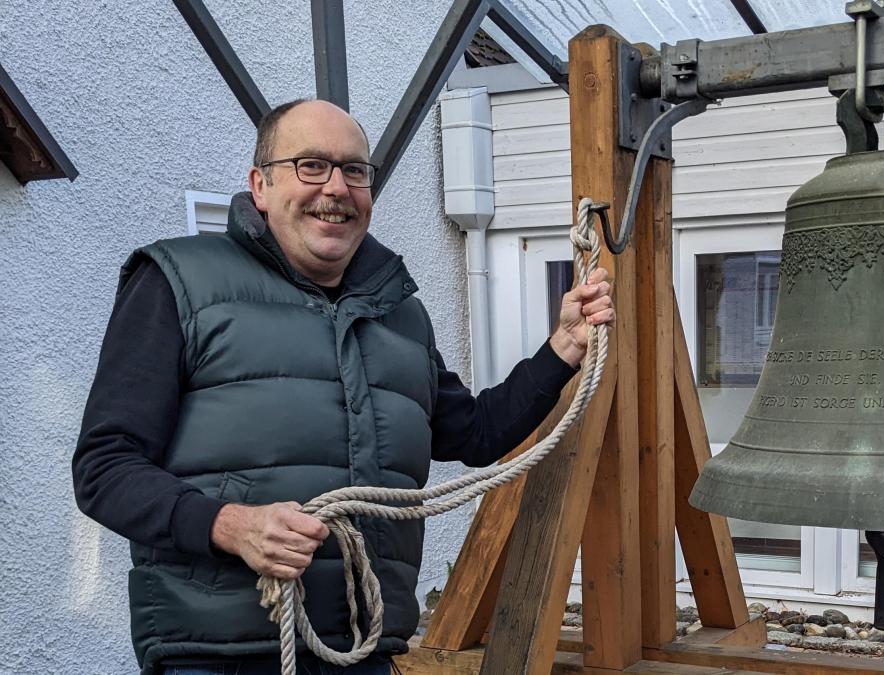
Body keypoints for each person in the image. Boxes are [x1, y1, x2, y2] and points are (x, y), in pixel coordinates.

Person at [72, 98, 614, 675]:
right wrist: (230, 525)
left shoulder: (398, 313)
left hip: (362, 648)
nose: (336, 187)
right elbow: (105, 468)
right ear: (261, 184)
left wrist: (562, 350)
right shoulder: (177, 283)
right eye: (311, 166)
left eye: (355, 171)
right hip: (218, 652)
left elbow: (476, 434)